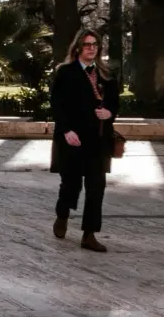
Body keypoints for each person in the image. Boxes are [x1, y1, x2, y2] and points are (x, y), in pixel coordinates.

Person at [50, 29, 120, 251]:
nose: (91, 48)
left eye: (95, 44)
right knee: (70, 184)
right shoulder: (65, 72)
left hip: (97, 140)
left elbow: (115, 103)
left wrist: (109, 114)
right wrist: (66, 131)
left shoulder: (106, 74)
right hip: (72, 138)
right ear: (78, 47)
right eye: (87, 44)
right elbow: (57, 105)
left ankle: (89, 234)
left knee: (96, 186)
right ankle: (62, 215)